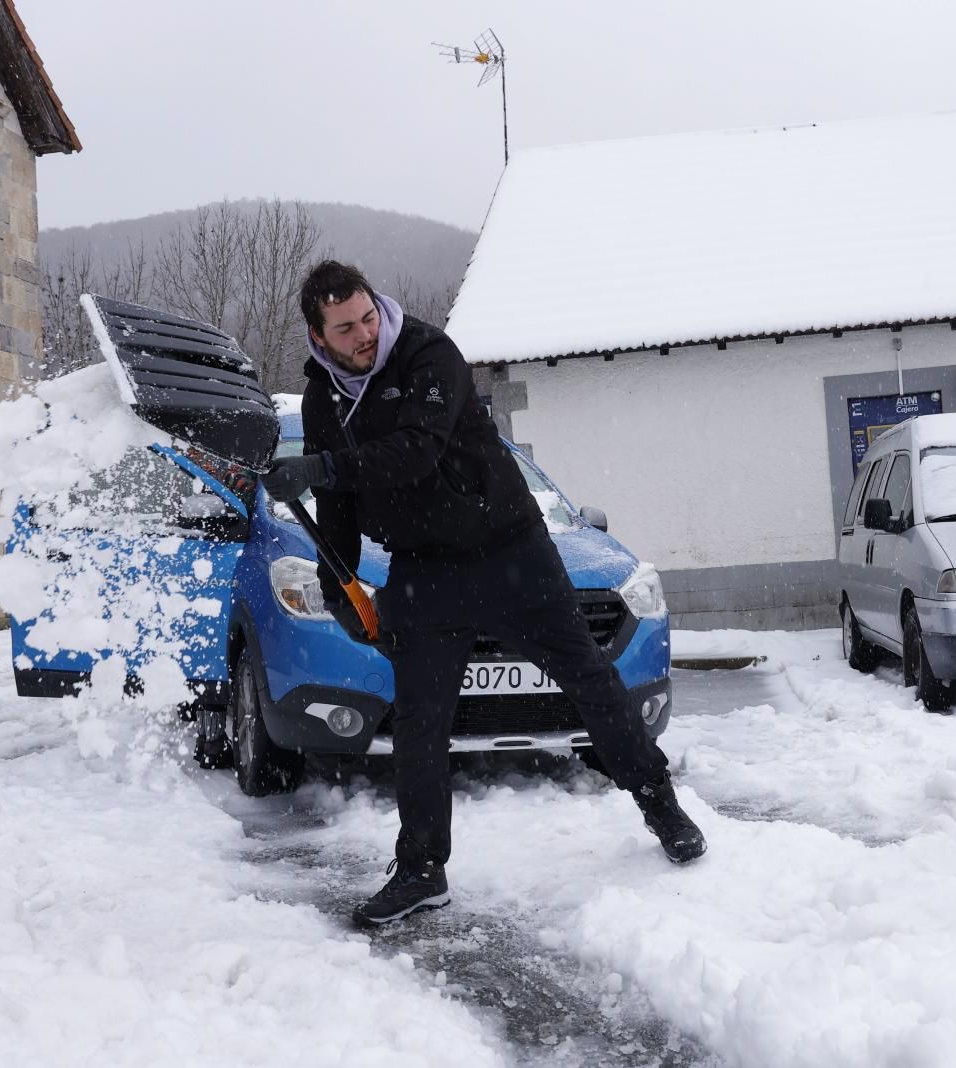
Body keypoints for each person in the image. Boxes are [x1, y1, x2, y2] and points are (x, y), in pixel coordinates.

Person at [261, 261, 706, 928]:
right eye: (345, 327)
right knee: (419, 722)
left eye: (366, 317)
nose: (363, 333)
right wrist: (340, 587)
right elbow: (340, 508)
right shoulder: (324, 401)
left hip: (510, 550)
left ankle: (661, 805)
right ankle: (420, 870)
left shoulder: (429, 354)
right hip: (422, 570)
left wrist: (322, 465)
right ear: (318, 335)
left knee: (589, 681)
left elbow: (416, 450)